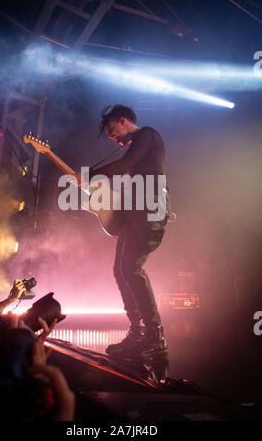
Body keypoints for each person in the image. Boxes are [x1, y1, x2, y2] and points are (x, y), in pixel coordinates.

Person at [76, 105, 170, 358]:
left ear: (124, 120)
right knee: (120, 270)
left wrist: (90, 174)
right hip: (135, 216)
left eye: (111, 129)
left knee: (130, 268)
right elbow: (124, 178)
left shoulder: (147, 135)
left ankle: (155, 336)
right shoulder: (135, 146)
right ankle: (138, 331)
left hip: (150, 213)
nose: (110, 135)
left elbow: (124, 165)